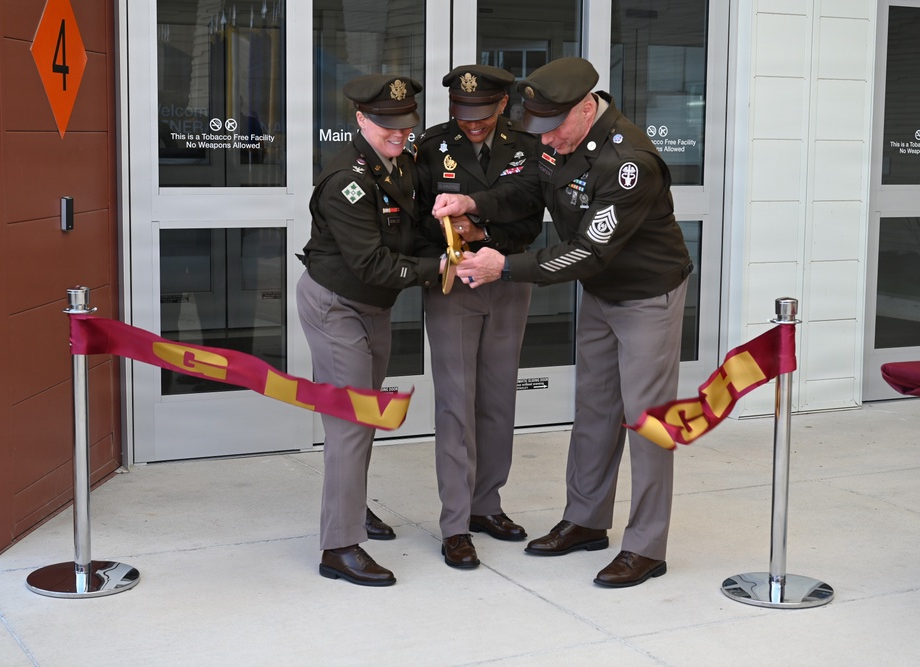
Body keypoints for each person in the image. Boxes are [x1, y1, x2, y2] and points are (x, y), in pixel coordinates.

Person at [432, 57, 693, 588]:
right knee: (594, 410)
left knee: (647, 421)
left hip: (645, 296)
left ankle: (646, 546)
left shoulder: (629, 162)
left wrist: (505, 266)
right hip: (600, 294)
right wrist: (473, 202)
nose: (546, 143)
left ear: (584, 109)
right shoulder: (558, 141)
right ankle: (586, 520)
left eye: (553, 130)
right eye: (539, 130)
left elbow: (589, 251)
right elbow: (526, 191)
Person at [296, 74, 445, 587]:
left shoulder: (400, 161)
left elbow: (416, 225)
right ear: (361, 120)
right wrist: (442, 268)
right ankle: (338, 547)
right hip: (338, 304)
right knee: (352, 423)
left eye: (406, 125)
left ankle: (353, 509)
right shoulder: (347, 180)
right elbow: (373, 264)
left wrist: (455, 236)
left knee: (366, 416)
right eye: (387, 126)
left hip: (372, 308)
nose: (399, 135)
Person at [415, 65, 544, 569]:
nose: (472, 124)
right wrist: (456, 237)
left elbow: (531, 207)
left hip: (508, 278)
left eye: (482, 115)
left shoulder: (526, 145)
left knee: (498, 396)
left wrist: (478, 225)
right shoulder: (429, 147)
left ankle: (486, 505)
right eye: (462, 115)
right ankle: (454, 524)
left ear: (503, 106)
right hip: (454, 285)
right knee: (455, 402)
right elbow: (418, 216)